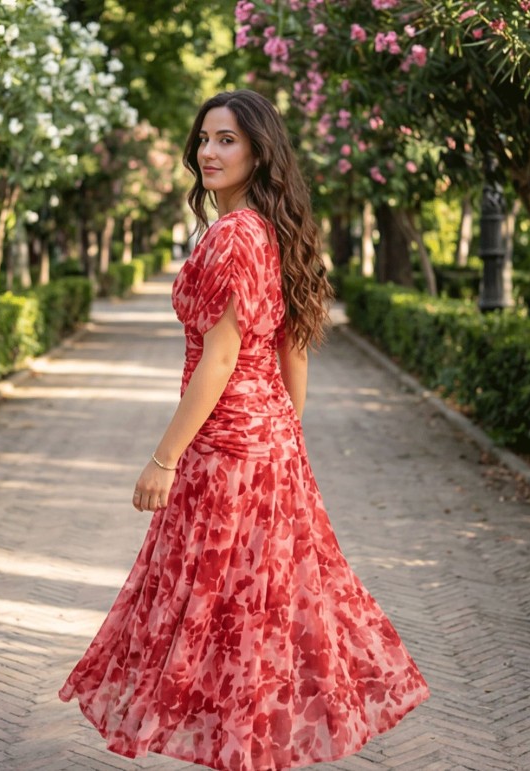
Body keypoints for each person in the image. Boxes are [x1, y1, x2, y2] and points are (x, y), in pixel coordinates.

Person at [59, 89, 430, 770]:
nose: (208, 151)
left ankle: (243, 748)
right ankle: (248, 750)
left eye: (227, 139)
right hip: (266, 441)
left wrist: (164, 458)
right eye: (204, 138)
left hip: (228, 446)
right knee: (258, 608)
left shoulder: (235, 234)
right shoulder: (268, 228)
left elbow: (223, 355)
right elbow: (293, 346)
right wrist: (285, 429)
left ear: (259, 149)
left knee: (224, 610)